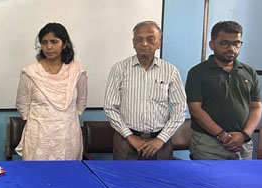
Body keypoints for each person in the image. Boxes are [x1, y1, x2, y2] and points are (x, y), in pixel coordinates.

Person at [104, 21, 186, 160]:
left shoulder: (170, 71)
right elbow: (110, 108)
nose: (144, 43)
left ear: (159, 42)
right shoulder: (119, 69)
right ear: (133, 43)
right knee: (123, 180)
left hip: (161, 142)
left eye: (150, 39)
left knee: (160, 181)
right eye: (139, 39)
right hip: (126, 141)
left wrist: (160, 139)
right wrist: (130, 137)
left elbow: (180, 109)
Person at [186, 21, 262, 160]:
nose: (231, 48)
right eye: (225, 43)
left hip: (242, 144)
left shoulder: (249, 72)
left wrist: (244, 135)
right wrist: (222, 135)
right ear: (212, 44)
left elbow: (256, 107)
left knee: (241, 182)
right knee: (207, 182)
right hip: (209, 145)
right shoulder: (197, 72)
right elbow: (195, 110)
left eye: (236, 43)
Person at [15, 22, 87, 160]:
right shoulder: (30, 72)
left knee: (67, 178)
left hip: (67, 136)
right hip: (38, 137)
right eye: (44, 42)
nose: (49, 47)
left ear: (64, 44)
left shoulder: (77, 71)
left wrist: (63, 119)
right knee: (36, 178)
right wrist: (44, 121)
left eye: (54, 42)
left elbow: (81, 103)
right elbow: (22, 105)